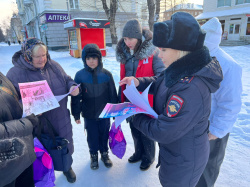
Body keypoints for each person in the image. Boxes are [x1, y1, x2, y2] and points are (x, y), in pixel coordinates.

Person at [119, 12, 223, 187]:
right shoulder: (179, 69)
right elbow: (160, 82)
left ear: (181, 50)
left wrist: (135, 116)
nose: (159, 55)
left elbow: (163, 131)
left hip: (184, 160)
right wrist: (138, 81)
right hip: (177, 151)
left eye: (164, 50)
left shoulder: (190, 87)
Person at [6, 38, 79, 183]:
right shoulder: (15, 74)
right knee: (41, 154)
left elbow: (67, 79)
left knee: (64, 147)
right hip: (37, 125)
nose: (42, 59)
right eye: (37, 56)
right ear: (27, 55)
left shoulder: (54, 66)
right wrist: (28, 107)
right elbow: (10, 102)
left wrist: (72, 86)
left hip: (61, 119)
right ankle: (45, 176)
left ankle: (66, 167)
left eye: (44, 55)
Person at [196, 17, 242, 187]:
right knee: (196, 166)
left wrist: (216, 130)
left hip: (214, 128)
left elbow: (230, 104)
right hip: (198, 123)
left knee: (208, 168)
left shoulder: (229, 65)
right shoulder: (199, 58)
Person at [116, 19, 165, 171]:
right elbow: (124, 79)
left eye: (130, 38)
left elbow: (162, 77)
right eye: (124, 38)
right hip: (131, 100)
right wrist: (120, 101)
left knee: (146, 131)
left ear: (138, 37)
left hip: (147, 101)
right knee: (134, 128)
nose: (127, 42)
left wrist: (139, 81)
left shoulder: (153, 52)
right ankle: (138, 152)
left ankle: (148, 157)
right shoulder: (125, 54)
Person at [71, 44, 118, 170]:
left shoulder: (106, 75)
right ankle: (93, 155)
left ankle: (104, 153)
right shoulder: (80, 75)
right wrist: (76, 114)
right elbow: (76, 97)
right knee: (92, 136)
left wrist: (115, 112)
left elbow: (113, 93)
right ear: (84, 60)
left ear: (99, 59)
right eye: (88, 58)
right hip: (89, 113)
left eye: (94, 58)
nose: (91, 61)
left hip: (105, 113)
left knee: (104, 134)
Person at [0, 72, 39, 187]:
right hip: (5, 169)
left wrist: (30, 103)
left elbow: (12, 99)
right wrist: (28, 122)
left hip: (23, 152)